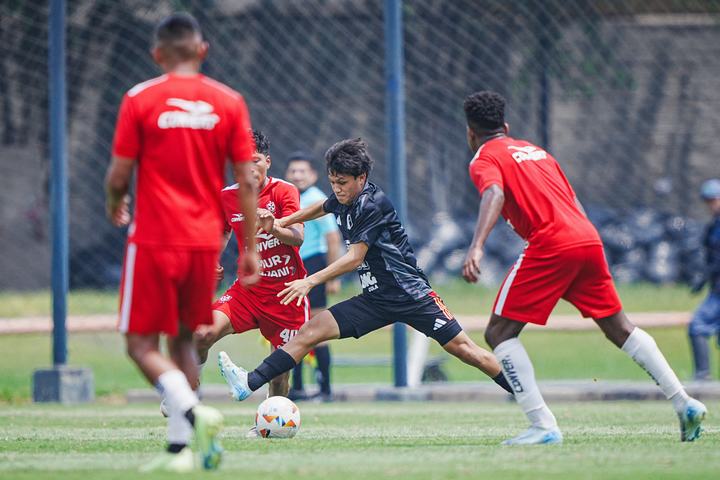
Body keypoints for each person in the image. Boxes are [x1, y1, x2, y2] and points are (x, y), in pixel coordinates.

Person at [461, 90, 707, 445]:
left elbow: (494, 193)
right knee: (619, 328)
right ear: (506, 126)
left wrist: (476, 246)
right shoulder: (537, 152)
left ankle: (543, 425)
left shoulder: (484, 158)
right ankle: (684, 402)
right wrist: (582, 244)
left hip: (551, 243)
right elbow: (571, 198)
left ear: (470, 133)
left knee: (499, 333)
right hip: (587, 237)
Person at [215, 138, 515, 401]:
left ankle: (522, 392)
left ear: (362, 178)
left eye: (342, 183)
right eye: (333, 182)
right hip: (375, 299)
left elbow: (355, 258)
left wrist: (310, 281)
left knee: (466, 351)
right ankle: (249, 383)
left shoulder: (370, 205)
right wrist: (284, 221)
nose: (337, 189)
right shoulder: (343, 196)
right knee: (308, 333)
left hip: (410, 296)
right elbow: (322, 206)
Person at [104, 13, 259, 472]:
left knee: (139, 345)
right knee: (183, 343)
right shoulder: (229, 101)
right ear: (202, 50)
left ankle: (194, 414)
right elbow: (246, 180)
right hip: (204, 243)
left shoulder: (140, 98)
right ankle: (181, 451)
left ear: (157, 54)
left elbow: (118, 175)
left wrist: (115, 202)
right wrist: (249, 247)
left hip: (155, 238)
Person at [194, 130, 306, 429]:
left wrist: (274, 228)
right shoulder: (227, 196)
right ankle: (190, 392)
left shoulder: (284, 191)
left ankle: (267, 428)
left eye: (255, 160)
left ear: (267, 161)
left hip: (286, 294)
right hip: (248, 292)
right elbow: (221, 230)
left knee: (279, 376)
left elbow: (297, 237)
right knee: (201, 333)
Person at [285, 151, 343, 401]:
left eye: (302, 171)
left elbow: (333, 238)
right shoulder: (288, 196)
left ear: (313, 175)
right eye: (293, 171)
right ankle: (296, 387)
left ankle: (325, 388)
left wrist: (332, 277)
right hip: (294, 268)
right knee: (294, 328)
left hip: (314, 265)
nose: (297, 175)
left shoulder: (317, 199)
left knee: (318, 327)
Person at [688, 179, 720, 380]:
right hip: (716, 287)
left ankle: (702, 376)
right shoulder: (714, 226)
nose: (711, 205)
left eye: (714, 200)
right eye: (708, 201)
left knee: (698, 325)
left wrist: (706, 274)